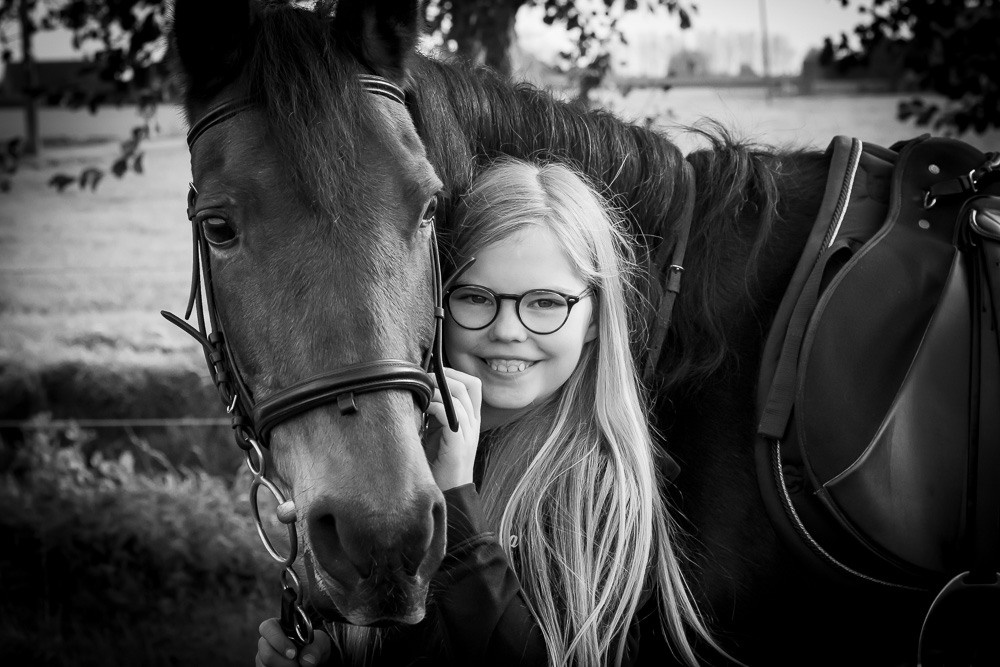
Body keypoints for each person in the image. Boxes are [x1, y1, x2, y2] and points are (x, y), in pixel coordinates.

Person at [255, 158, 717, 666]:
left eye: (545, 303)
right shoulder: (390, 457)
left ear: (594, 318)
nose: (508, 331)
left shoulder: (610, 491)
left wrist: (455, 497)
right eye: (476, 297)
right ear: (433, 301)